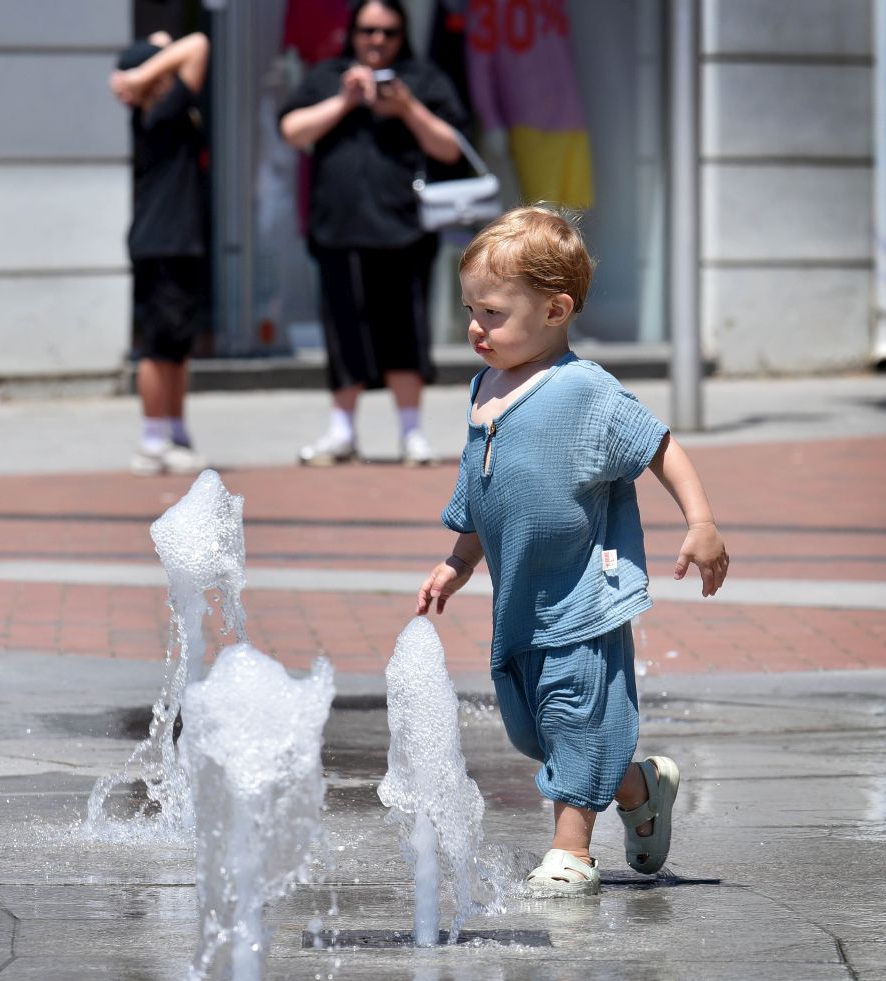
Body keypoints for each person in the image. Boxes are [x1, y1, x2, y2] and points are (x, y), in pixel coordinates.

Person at [416, 205, 730, 897]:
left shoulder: (585, 390)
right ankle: (639, 784)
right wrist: (459, 560)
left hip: (583, 595)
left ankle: (572, 851)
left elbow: (660, 446)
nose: (476, 326)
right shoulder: (483, 390)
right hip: (520, 602)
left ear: (556, 309)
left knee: (576, 719)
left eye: (493, 312)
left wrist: (700, 520)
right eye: (471, 309)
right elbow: (486, 491)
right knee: (543, 735)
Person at [280, 0, 467, 467]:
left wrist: (406, 107)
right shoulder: (329, 76)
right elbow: (292, 129)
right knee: (343, 331)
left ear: (402, 35)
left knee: (405, 331)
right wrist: (345, 101)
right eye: (368, 31)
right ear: (353, 33)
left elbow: (451, 148)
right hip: (337, 229)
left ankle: (411, 433)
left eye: (388, 32)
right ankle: (342, 431)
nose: (377, 41)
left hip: (403, 230)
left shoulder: (421, 80)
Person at [110, 31, 210, 477]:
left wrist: (155, 50)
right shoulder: (162, 111)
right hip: (164, 241)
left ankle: (173, 431)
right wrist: (147, 70)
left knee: (177, 345)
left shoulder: (162, 110)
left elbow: (175, 44)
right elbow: (198, 44)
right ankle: (153, 440)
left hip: (174, 240)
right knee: (159, 347)